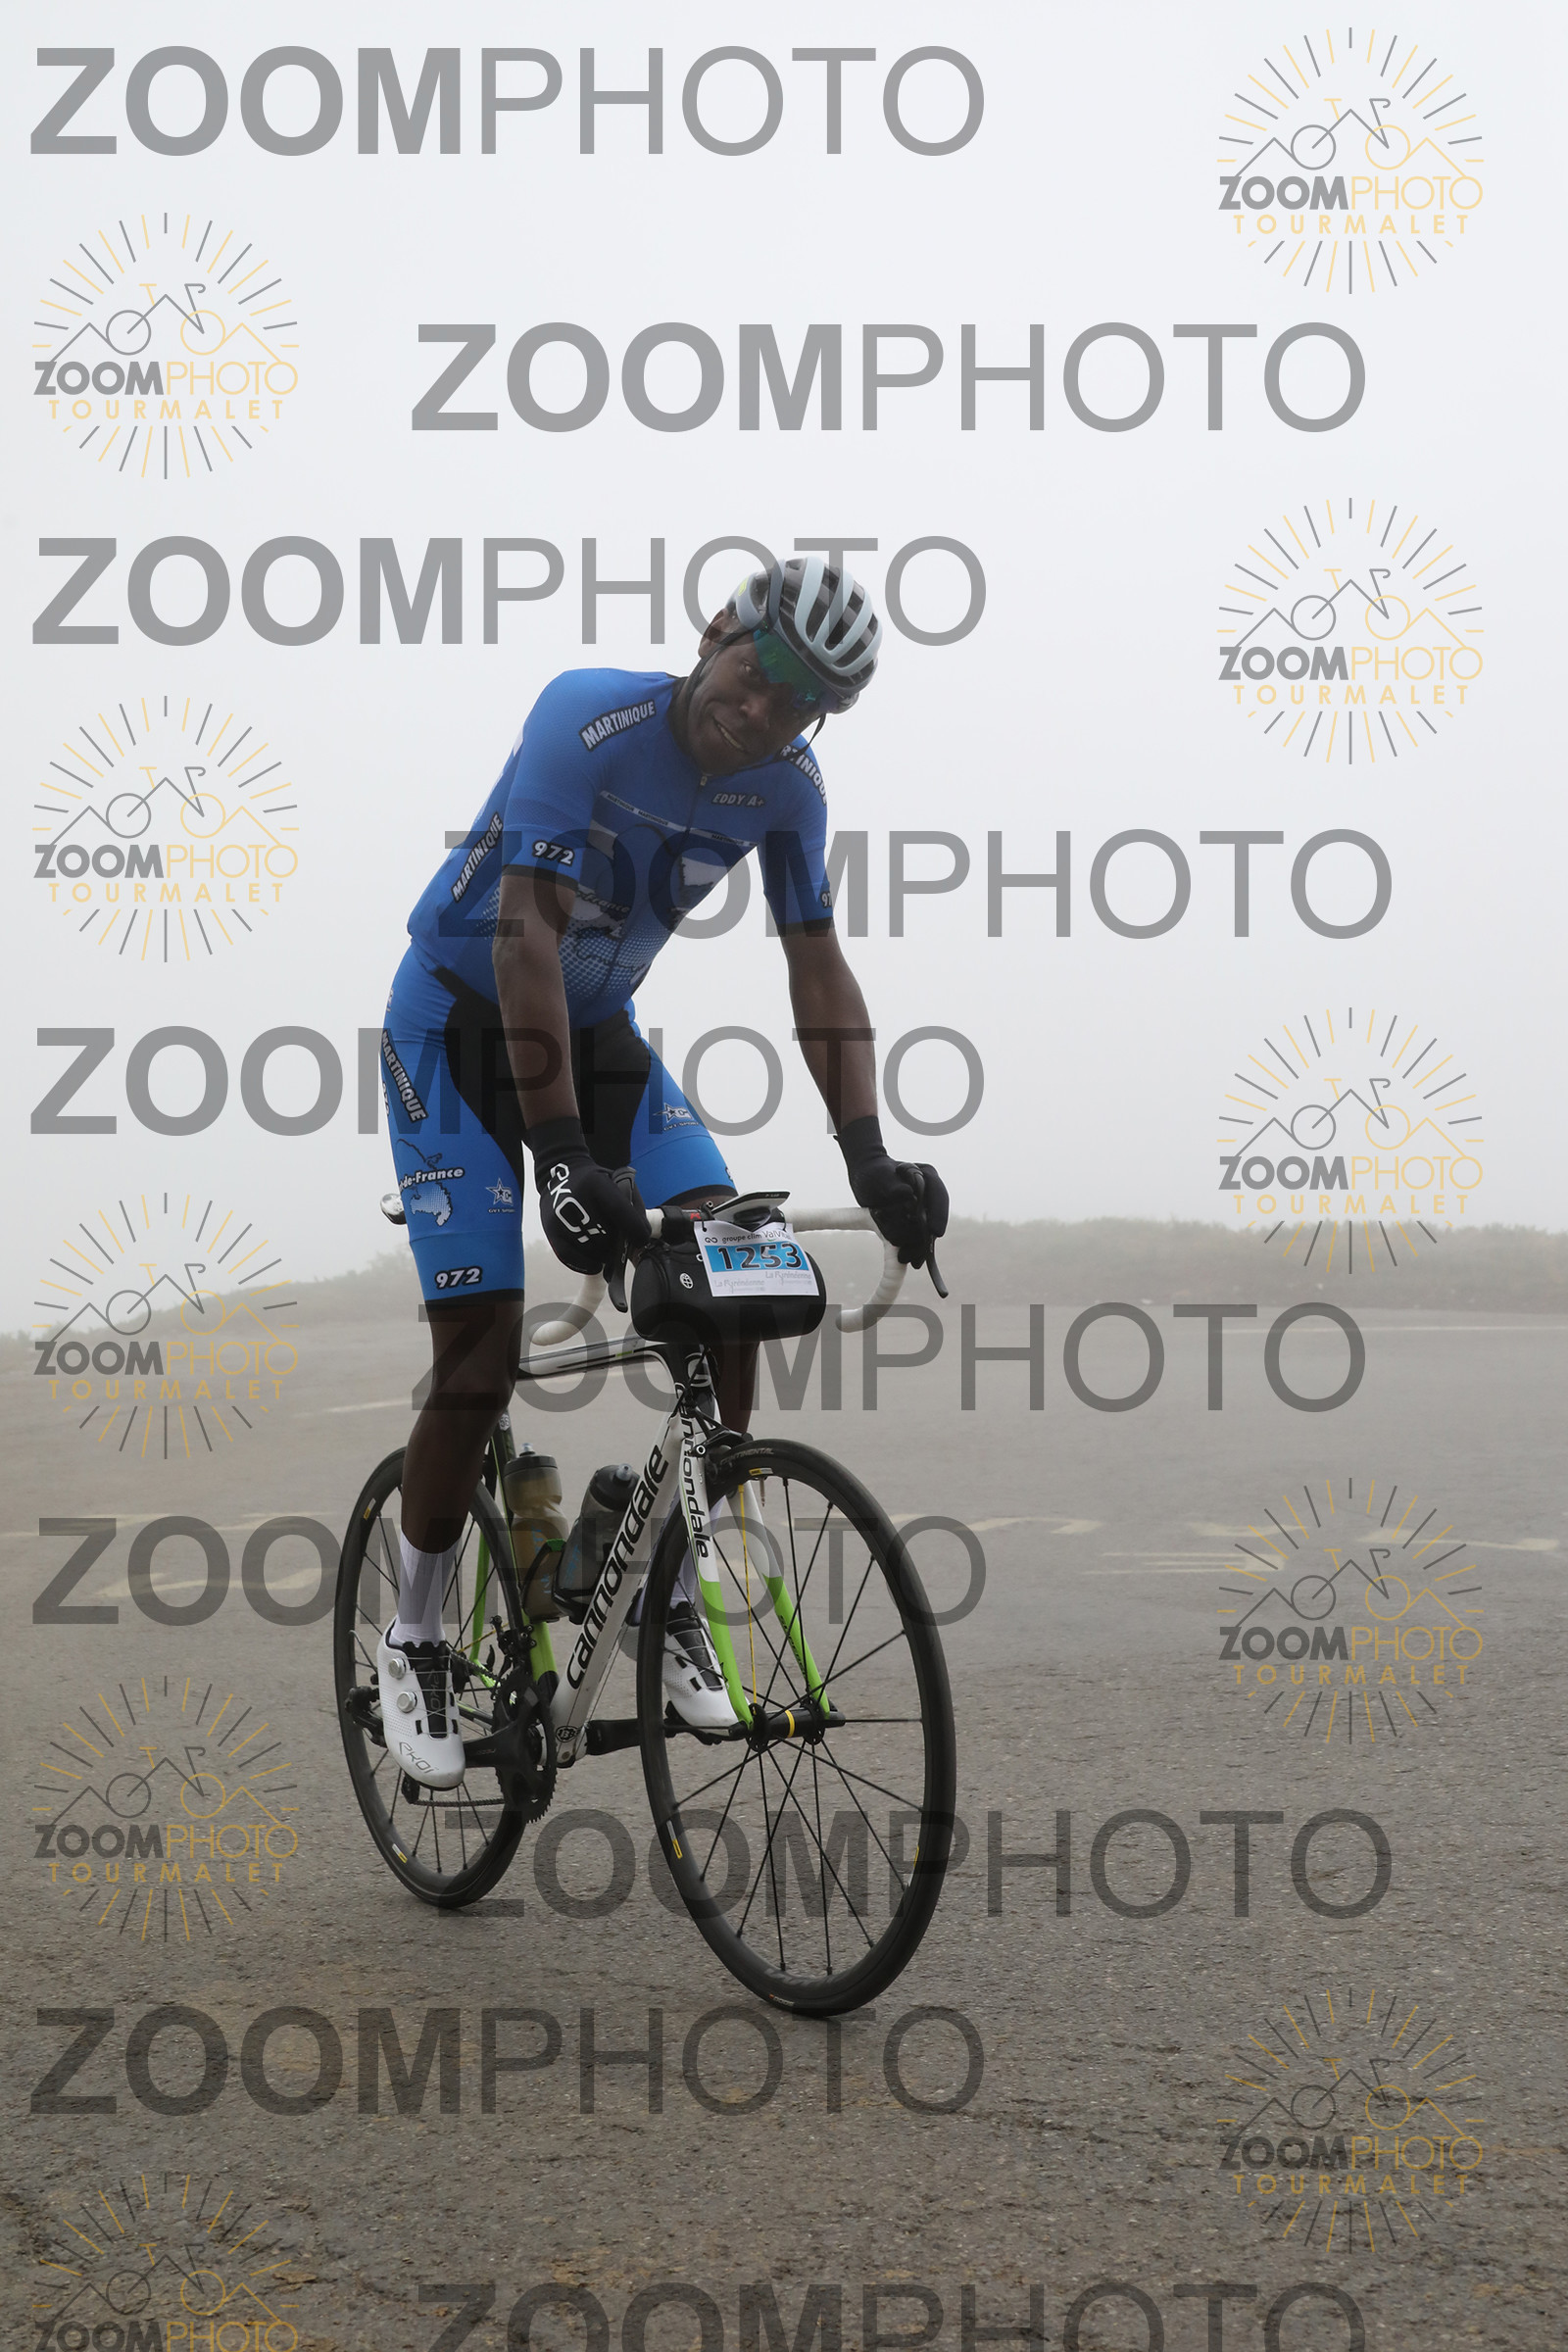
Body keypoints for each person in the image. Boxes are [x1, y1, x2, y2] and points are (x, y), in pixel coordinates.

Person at [377, 557, 948, 1784]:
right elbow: (524, 935)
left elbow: (815, 965)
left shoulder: (787, 791)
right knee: (480, 1349)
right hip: (456, 1028)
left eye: (799, 704)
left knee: (732, 1269)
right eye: (757, 673)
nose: (762, 712)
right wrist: (565, 1157)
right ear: (717, 632)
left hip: (595, 1035)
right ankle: (414, 1631)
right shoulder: (587, 717)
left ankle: (661, 1589)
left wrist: (869, 1152)